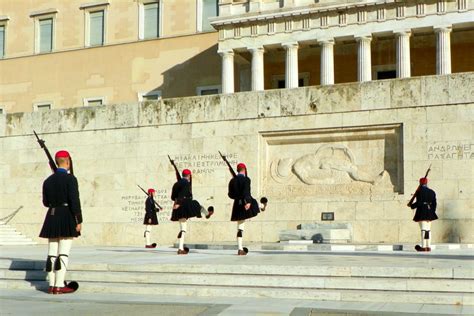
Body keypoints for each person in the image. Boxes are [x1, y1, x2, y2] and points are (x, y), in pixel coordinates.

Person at [39, 150, 82, 294]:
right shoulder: (71, 179)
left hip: (51, 215)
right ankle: (58, 285)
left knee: (52, 253)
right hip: (66, 215)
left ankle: (51, 285)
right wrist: (79, 220)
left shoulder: (47, 180)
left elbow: (45, 202)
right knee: (63, 252)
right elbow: (74, 201)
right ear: (68, 161)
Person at [171, 169, 213, 255]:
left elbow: (172, 197)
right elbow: (183, 194)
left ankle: (181, 247)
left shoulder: (176, 184)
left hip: (177, 206)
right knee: (197, 205)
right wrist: (179, 203)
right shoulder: (186, 183)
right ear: (189, 176)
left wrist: (177, 203)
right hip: (185, 205)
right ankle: (180, 248)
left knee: (183, 227)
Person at [228, 163, 263, 256]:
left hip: (237, 204)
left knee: (240, 227)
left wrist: (237, 194)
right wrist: (247, 201)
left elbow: (230, 195)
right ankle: (263, 206)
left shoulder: (232, 180)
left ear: (237, 170)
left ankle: (240, 249)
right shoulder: (246, 179)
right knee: (255, 204)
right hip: (245, 202)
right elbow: (246, 191)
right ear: (244, 170)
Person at [410, 177, 437, 252]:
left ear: (420, 183)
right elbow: (434, 204)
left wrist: (412, 206)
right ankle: (428, 246)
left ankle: (423, 246)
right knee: (428, 230)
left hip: (422, 211)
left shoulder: (420, 191)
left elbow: (419, 202)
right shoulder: (432, 192)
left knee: (423, 229)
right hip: (430, 212)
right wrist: (432, 211)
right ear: (427, 183)